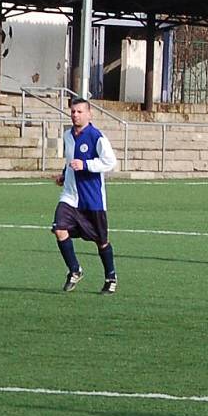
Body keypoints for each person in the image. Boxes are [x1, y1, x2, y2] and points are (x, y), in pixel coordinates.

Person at [52, 97, 118, 294]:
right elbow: (70, 160)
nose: (75, 115)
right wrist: (64, 175)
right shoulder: (67, 135)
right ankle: (74, 270)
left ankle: (111, 277)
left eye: (80, 112)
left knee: (101, 241)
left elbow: (110, 162)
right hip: (70, 197)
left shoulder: (97, 137)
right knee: (59, 229)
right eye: (73, 111)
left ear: (89, 114)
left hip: (92, 200)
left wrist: (87, 165)